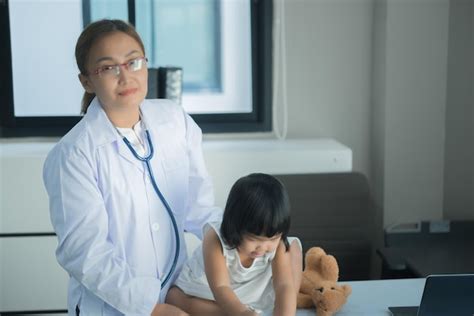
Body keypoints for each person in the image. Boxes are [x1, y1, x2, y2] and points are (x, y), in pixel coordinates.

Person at [42, 19, 221, 315]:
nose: (125, 76)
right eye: (108, 67)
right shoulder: (73, 154)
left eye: (133, 62)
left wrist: (250, 240)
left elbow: (201, 211)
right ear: (87, 80)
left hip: (179, 295)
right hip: (112, 307)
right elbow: (86, 253)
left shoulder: (175, 121)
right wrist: (150, 308)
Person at [166, 173, 303, 316]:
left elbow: (283, 285)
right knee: (174, 298)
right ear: (235, 226)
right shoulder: (214, 238)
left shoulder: (278, 243)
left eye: (272, 239)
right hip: (212, 291)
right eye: (253, 239)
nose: (262, 247)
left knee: (292, 248)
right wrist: (242, 312)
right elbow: (221, 287)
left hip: (254, 290)